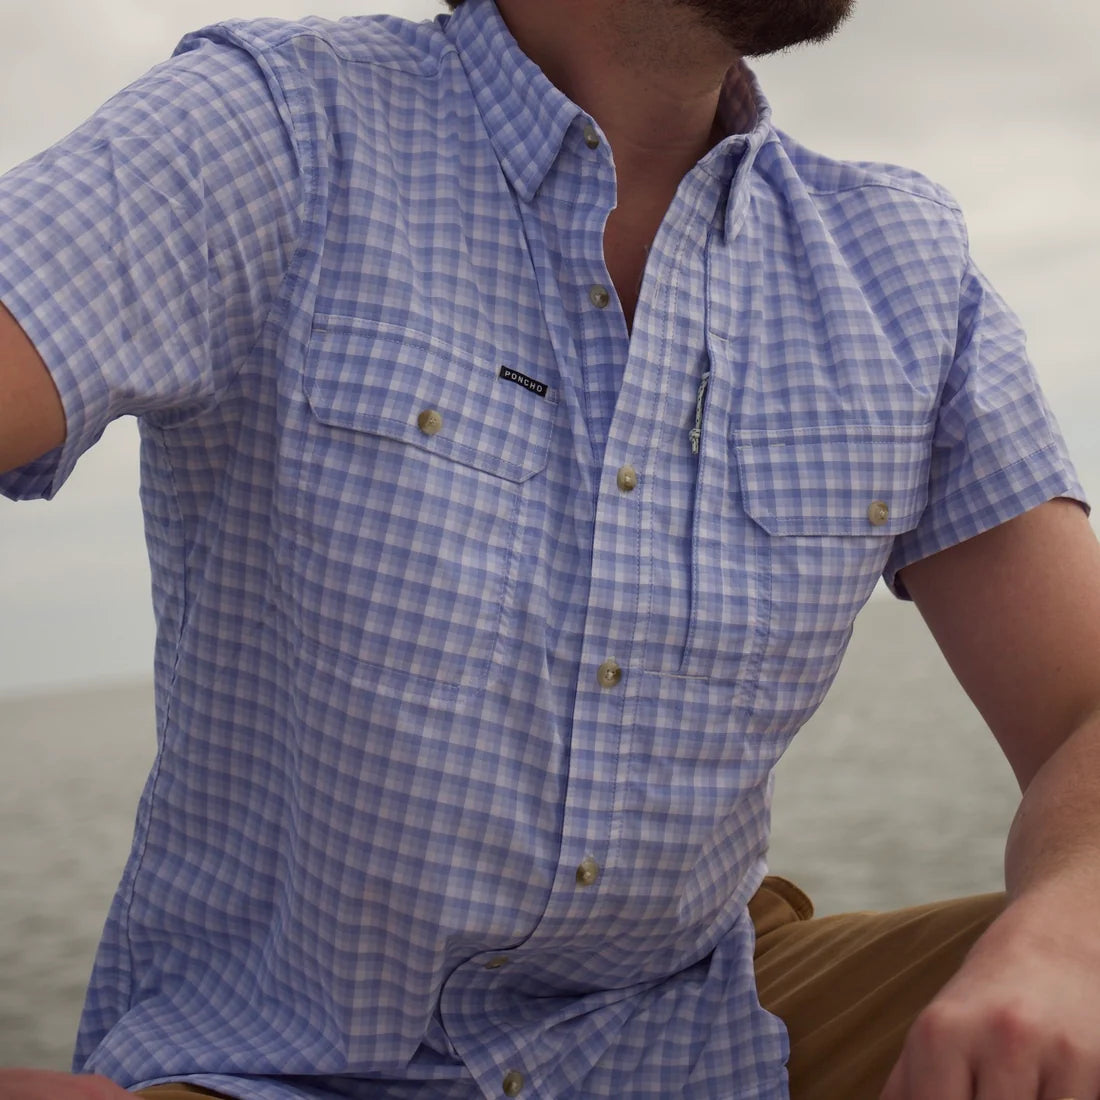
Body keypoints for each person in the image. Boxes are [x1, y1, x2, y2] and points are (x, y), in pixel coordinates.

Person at [2, 0, 1099, 1097]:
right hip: (277, 1070)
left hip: (700, 1035)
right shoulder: (279, 129)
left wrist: (1064, 935)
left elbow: (1082, 713)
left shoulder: (897, 271)